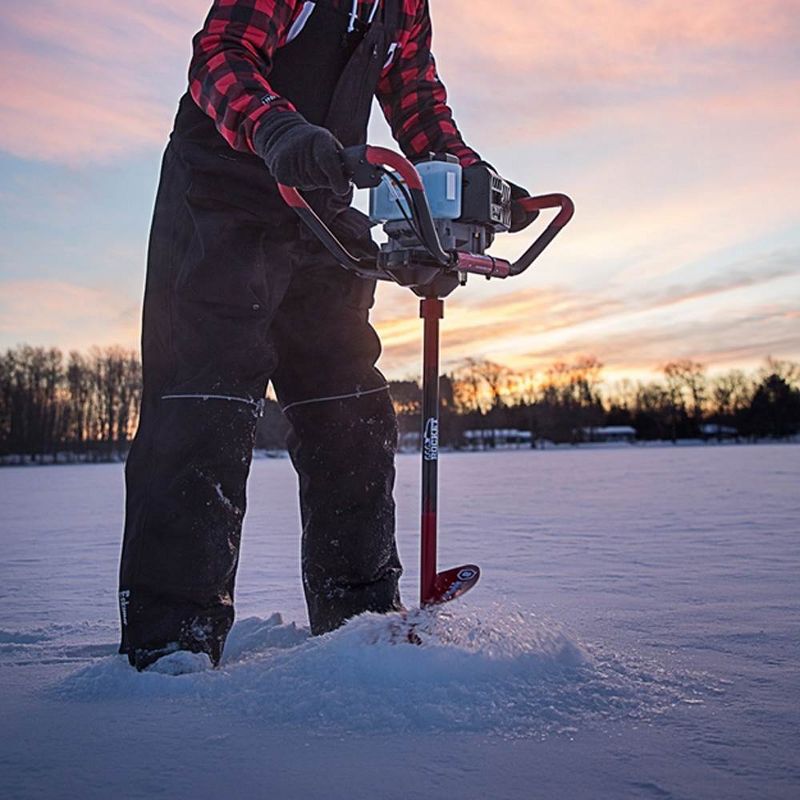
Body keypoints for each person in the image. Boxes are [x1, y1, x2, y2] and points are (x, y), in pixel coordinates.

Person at [118, 0, 530, 671]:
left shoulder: (403, 6)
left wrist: (463, 185)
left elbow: (419, 102)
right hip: (220, 197)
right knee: (203, 409)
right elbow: (220, 55)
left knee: (350, 413)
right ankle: (171, 650)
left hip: (320, 205)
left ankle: (359, 630)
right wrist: (277, 126)